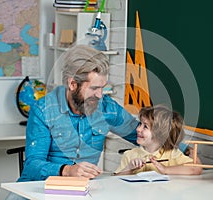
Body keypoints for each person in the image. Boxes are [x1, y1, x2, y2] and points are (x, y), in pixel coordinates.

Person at [18, 44, 139, 182]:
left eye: (103, 88)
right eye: (94, 88)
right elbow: (32, 166)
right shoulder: (44, 110)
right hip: (39, 187)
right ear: (73, 84)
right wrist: (68, 171)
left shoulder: (107, 107)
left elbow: (142, 135)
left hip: (82, 190)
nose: (100, 95)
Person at [114, 105, 202, 175]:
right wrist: (129, 168)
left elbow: (196, 168)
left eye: (145, 126)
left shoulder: (172, 154)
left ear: (160, 134)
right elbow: (115, 181)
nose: (138, 129)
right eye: (140, 124)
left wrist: (165, 169)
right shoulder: (129, 155)